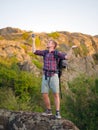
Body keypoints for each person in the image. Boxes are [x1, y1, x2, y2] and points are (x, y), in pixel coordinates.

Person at [32, 35, 75, 119]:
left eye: (49, 42)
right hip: (45, 75)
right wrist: (33, 40)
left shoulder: (57, 53)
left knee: (56, 94)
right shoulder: (45, 52)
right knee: (44, 94)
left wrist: (71, 49)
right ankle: (49, 110)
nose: (47, 43)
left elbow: (67, 57)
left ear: (53, 45)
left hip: (54, 75)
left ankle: (58, 112)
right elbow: (34, 51)